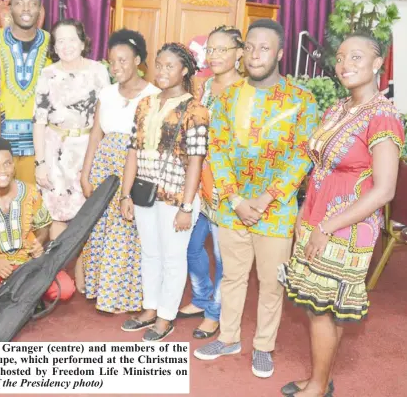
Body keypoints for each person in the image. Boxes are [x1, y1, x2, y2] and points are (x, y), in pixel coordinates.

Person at [194, 19, 320, 379]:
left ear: (280, 53)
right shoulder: (228, 96)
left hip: (275, 212)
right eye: (249, 47)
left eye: (264, 48)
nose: (254, 54)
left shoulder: (301, 100)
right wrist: (234, 199)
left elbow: (302, 156)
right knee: (232, 277)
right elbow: (216, 149)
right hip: (233, 208)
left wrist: (266, 199)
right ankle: (229, 337)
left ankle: (264, 346)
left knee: (271, 283)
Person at [282, 33, 404, 397]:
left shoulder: (383, 116)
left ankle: (318, 386)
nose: (345, 64)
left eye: (356, 57)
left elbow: (385, 190)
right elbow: (318, 169)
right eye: (340, 57)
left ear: (377, 64)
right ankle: (320, 377)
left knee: (323, 309)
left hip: (346, 227)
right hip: (316, 219)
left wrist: (327, 226)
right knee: (318, 305)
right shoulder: (338, 108)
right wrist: (304, 218)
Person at [119, 43, 208, 342]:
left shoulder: (195, 110)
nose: (162, 71)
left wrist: (186, 206)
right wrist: (124, 194)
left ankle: (165, 317)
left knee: (173, 258)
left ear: (184, 70)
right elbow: (132, 151)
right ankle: (149, 308)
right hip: (144, 193)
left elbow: (196, 161)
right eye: (159, 65)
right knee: (150, 253)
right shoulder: (145, 104)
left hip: (176, 197)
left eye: (170, 66)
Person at [79, 29, 160, 311]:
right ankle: (99, 288)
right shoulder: (107, 93)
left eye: (123, 60)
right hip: (104, 167)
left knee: (127, 232)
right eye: (112, 62)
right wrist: (85, 173)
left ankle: (125, 296)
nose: (117, 68)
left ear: (138, 60)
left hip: (135, 167)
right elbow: (95, 136)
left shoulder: (153, 95)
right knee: (100, 228)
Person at [0, 137, 75, 307]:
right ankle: (17, 293)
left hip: (29, 262)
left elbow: (43, 226)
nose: (2, 170)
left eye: (7, 163)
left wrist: (39, 241)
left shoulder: (29, 192)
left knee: (65, 289)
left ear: (13, 165)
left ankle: (18, 292)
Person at [178, 25, 244, 339]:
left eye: (222, 49)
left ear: (239, 54)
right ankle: (202, 297)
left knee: (222, 256)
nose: (214, 55)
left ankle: (215, 313)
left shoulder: (246, 92)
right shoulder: (203, 86)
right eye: (211, 49)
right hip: (199, 181)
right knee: (191, 248)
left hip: (227, 188)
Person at [32, 19, 110, 242]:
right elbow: (39, 121)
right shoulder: (48, 74)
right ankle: (59, 270)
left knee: (88, 213)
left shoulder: (99, 71)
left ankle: (82, 274)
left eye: (72, 40)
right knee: (57, 214)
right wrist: (40, 164)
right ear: (54, 47)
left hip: (88, 151)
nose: (66, 46)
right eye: (60, 41)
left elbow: (104, 117)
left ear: (83, 42)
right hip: (54, 151)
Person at [0, 0, 52, 184]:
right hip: (2, 145)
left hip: (41, 146)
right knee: (2, 205)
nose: (25, 9)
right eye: (19, 4)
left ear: (39, 10)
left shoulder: (53, 43)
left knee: (34, 207)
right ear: (10, 8)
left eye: (32, 4)